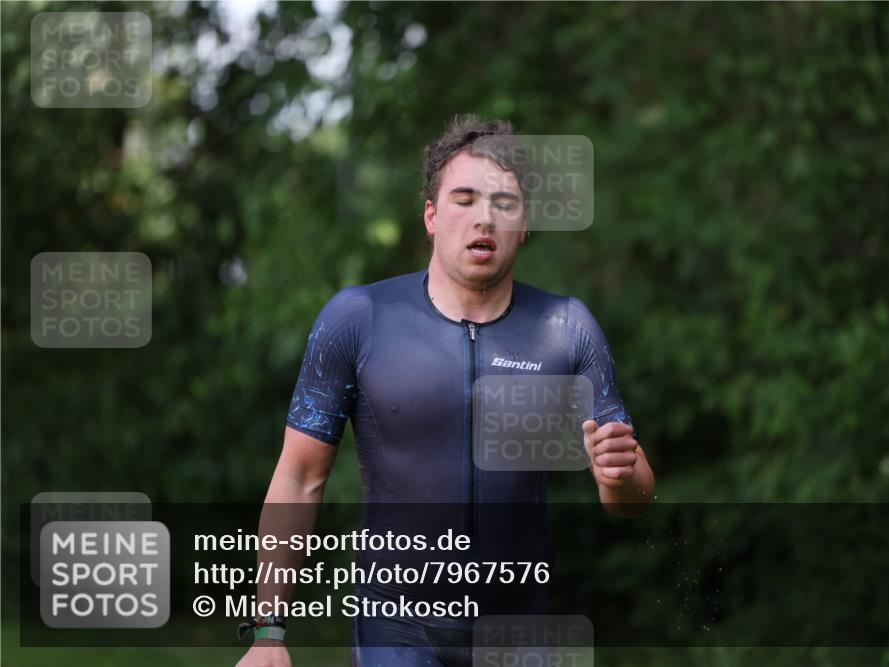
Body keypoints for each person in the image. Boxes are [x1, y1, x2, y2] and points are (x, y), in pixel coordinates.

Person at [235, 115, 654, 667]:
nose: (484, 217)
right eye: (464, 199)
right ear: (431, 215)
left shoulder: (565, 328)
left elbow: (632, 497)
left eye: (505, 203)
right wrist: (268, 632)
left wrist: (619, 476)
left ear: (524, 224)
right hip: (397, 627)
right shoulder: (359, 320)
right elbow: (299, 476)